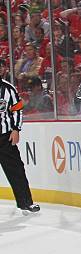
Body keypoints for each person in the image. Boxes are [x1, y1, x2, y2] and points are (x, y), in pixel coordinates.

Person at [0, 77, 40, 214]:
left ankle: (26, 203)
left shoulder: (8, 89)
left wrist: (16, 129)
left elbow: (17, 109)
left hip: (4, 138)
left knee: (16, 170)